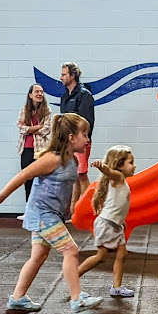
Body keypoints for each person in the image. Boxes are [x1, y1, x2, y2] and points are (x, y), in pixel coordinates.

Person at [0, 113, 103, 314]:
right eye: (84, 134)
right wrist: (2, 196)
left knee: (38, 256)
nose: (87, 139)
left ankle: (17, 298)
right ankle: (76, 299)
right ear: (71, 137)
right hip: (42, 214)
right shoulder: (52, 159)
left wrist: (72, 207)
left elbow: (71, 186)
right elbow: (24, 175)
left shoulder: (73, 160)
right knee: (71, 251)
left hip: (52, 215)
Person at [78, 145, 136, 297]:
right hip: (107, 224)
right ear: (119, 165)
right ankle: (74, 277)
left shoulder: (121, 181)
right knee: (101, 257)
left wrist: (120, 220)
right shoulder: (118, 177)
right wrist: (101, 166)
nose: (134, 166)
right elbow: (110, 172)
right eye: (130, 162)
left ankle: (117, 287)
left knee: (122, 254)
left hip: (115, 224)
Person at [59, 62, 95, 217]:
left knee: (81, 175)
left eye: (64, 74)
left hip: (79, 143)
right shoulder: (65, 96)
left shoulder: (84, 95)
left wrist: (81, 142)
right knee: (74, 176)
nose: (61, 78)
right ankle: (74, 211)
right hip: (68, 143)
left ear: (72, 75)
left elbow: (86, 123)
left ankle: (91, 209)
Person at [16, 84, 52, 221]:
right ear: (30, 95)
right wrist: (37, 127)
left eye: (41, 92)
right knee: (27, 180)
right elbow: (21, 128)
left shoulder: (47, 111)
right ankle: (29, 211)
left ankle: (41, 212)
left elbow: (47, 129)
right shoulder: (24, 110)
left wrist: (29, 129)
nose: (39, 94)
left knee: (41, 181)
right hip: (26, 148)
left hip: (41, 150)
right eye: (36, 91)